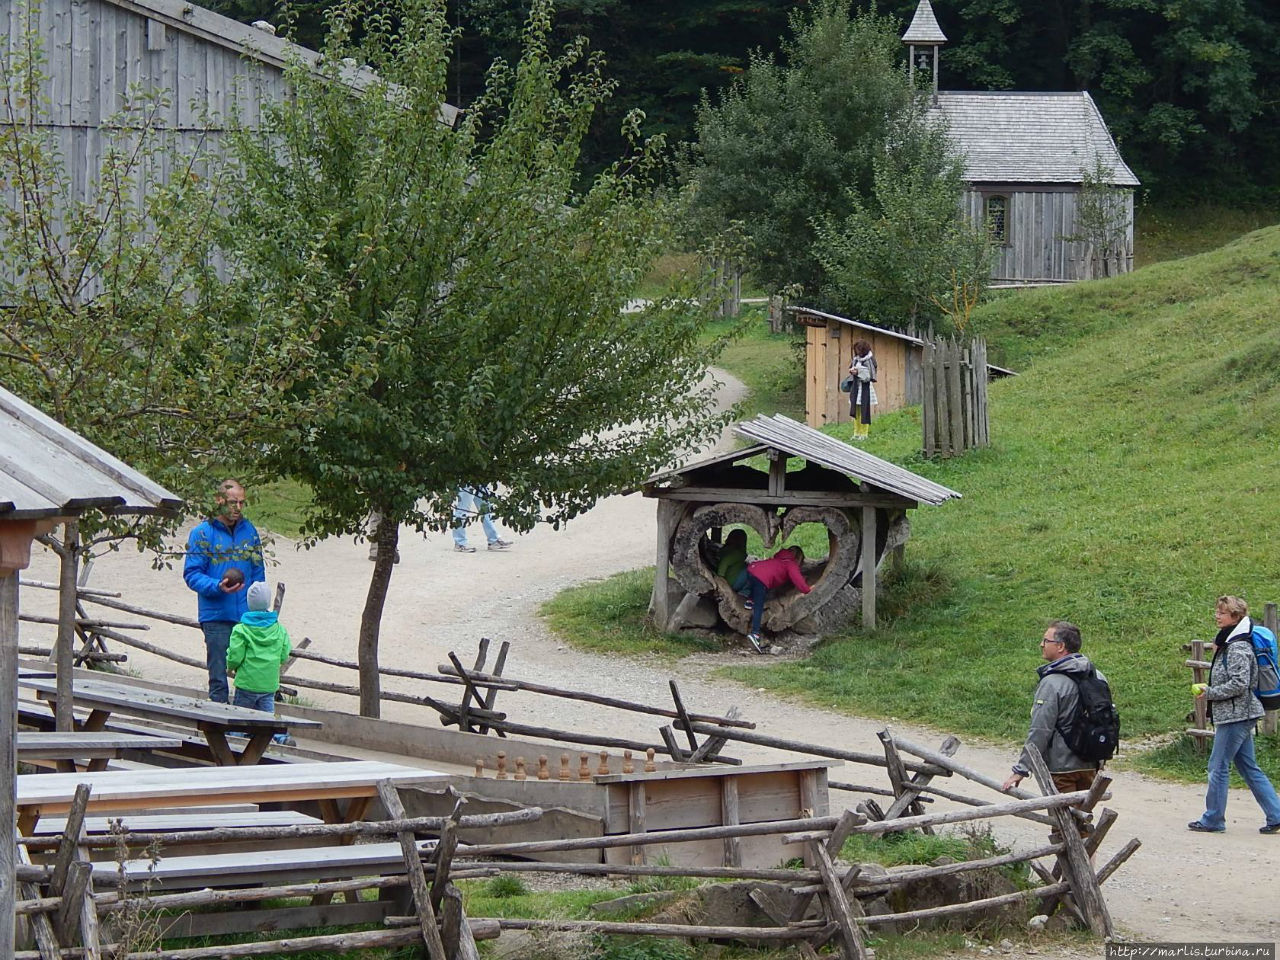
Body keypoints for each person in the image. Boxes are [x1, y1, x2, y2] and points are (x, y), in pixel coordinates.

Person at [1188, 596, 1280, 834]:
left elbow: (1240, 683)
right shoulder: (1230, 642)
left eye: (1223, 613)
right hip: (1237, 713)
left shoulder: (1238, 646)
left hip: (1236, 715)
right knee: (1249, 767)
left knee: (1217, 766)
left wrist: (1210, 693)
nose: (1217, 616)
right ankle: (1276, 815)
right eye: (1217, 611)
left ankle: (1213, 819)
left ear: (1236, 617)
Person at [184, 479, 265, 703]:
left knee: (250, 674)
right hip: (216, 615)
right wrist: (217, 586)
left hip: (246, 616)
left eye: (241, 503)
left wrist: (259, 609)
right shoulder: (201, 533)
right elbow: (192, 574)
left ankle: (245, 725)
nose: (237, 508)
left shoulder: (249, 531)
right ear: (218, 500)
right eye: (232, 502)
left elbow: (258, 572)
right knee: (218, 677)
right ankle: (218, 727)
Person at [1002, 620, 1104, 796]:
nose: (1041, 644)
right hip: (1091, 764)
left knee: (1062, 821)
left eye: (1046, 641)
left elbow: (1041, 729)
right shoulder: (1097, 676)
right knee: (1080, 817)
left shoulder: (1052, 682)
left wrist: (1021, 770)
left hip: (1062, 767)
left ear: (1060, 646)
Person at [227, 581, 294, 746]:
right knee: (267, 716)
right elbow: (284, 653)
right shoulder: (279, 629)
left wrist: (231, 666)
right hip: (268, 683)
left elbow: (235, 655)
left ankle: (235, 741)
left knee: (241, 716)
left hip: (247, 682)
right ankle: (280, 738)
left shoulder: (241, 629)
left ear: (249, 603)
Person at [743, 546, 811, 653]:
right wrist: (807, 590)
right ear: (798, 558)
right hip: (762, 578)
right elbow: (798, 580)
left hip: (752, 569)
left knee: (756, 585)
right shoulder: (790, 563)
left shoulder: (779, 558)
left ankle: (750, 600)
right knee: (759, 606)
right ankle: (755, 634)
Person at [451, 486, 512, 553]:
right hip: (467, 480)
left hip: (480, 480)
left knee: (486, 509)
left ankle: (493, 540)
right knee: (462, 510)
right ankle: (459, 543)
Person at [848, 339, 877, 441]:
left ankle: (864, 434)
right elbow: (851, 367)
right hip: (856, 387)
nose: (858, 352)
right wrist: (852, 371)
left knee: (864, 410)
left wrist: (859, 373)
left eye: (859, 349)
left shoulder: (870, 360)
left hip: (865, 388)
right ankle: (856, 432)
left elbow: (870, 375)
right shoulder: (856, 359)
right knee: (855, 410)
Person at [715, 529, 750, 595]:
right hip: (733, 581)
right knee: (753, 572)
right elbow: (725, 562)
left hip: (729, 579)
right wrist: (721, 579)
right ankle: (744, 593)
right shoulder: (738, 553)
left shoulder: (725, 550)